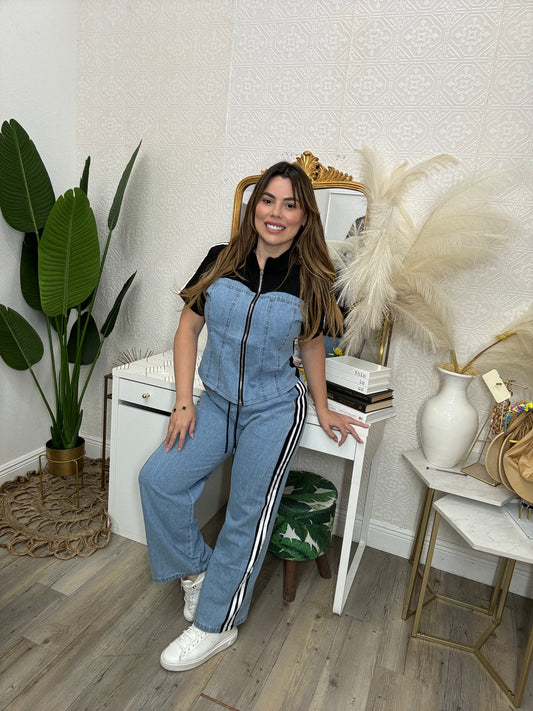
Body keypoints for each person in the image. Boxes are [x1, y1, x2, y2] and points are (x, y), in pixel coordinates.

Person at [139, 161, 368, 672]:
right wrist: (184, 401)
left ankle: (215, 625)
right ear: (254, 205)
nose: (276, 213)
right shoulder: (221, 259)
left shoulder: (313, 279)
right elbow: (187, 329)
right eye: (268, 200)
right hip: (217, 402)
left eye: (290, 205)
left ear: (304, 217)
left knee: (246, 515)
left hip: (273, 409)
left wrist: (323, 407)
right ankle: (198, 573)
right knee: (158, 480)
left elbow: (312, 346)